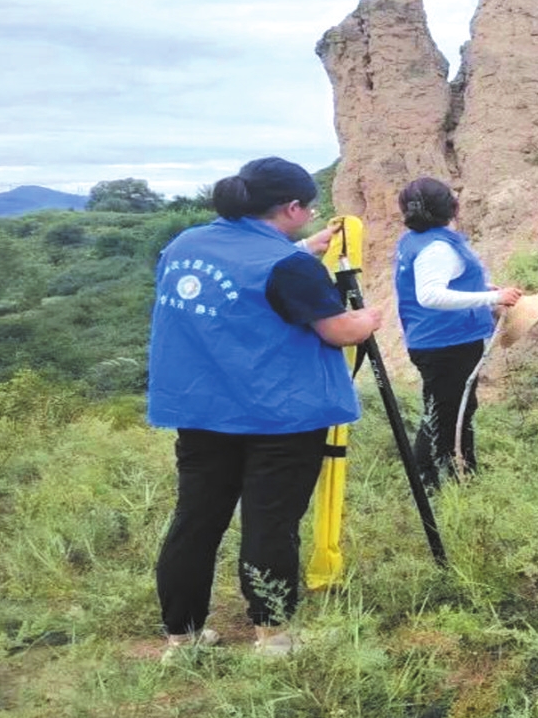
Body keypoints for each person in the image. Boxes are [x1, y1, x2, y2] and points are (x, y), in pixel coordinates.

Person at [147, 157, 383, 659]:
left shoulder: (184, 246)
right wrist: (369, 318)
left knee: (195, 522)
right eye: (309, 209)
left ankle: (182, 639)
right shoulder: (290, 268)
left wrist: (303, 248)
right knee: (270, 524)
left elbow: (246, 277)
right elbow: (338, 331)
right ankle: (273, 637)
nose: (311, 216)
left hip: (202, 412)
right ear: (292, 208)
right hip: (279, 416)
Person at [393, 177, 522, 490]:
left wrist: (480, 288)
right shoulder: (437, 247)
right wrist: (493, 297)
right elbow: (430, 295)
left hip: (435, 340)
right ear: (451, 207)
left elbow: (440, 282)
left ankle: (458, 474)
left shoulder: (415, 240)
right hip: (447, 343)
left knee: (448, 409)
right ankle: (433, 483)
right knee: (446, 414)